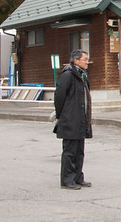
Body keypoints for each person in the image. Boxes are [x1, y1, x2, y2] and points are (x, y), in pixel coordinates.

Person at [54, 49, 93, 190]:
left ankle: (77, 177)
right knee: (70, 151)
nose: (87, 62)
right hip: (70, 118)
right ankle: (67, 179)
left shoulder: (82, 75)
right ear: (76, 61)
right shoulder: (68, 75)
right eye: (84, 59)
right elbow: (59, 96)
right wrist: (62, 115)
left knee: (79, 151)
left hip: (81, 118)